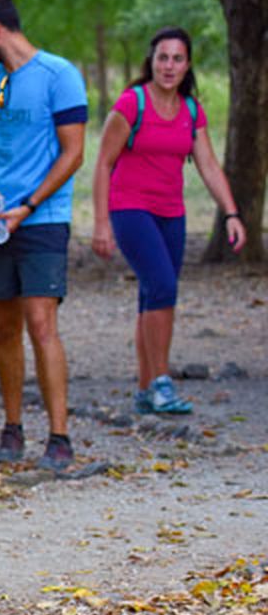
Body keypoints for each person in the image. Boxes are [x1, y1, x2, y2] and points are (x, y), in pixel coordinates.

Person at [90, 27, 246, 414]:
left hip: (171, 212)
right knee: (161, 287)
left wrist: (231, 213)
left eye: (177, 58)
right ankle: (162, 382)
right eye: (163, 57)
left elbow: (208, 165)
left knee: (154, 295)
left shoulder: (191, 110)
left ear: (187, 64)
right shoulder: (132, 104)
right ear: (152, 60)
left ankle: (145, 388)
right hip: (130, 208)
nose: (169, 65)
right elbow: (103, 164)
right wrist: (100, 223)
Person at [0, 0, 88, 471]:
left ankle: (59, 437)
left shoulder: (60, 76)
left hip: (43, 220)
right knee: (3, 328)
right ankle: (12, 428)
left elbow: (73, 153)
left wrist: (28, 205)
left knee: (42, 325)